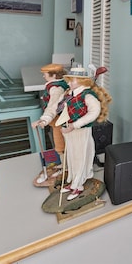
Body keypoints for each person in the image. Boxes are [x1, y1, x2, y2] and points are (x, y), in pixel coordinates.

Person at [56, 65, 112, 201]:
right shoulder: (69, 95)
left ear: (82, 81)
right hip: (69, 132)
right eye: (69, 80)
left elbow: (93, 113)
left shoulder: (87, 96)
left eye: (73, 80)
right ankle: (73, 180)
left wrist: (75, 125)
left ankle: (78, 184)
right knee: (72, 157)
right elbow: (60, 109)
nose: (69, 83)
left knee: (80, 157)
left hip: (81, 131)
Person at [31, 63, 69, 183]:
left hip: (58, 119)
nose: (43, 76)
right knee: (60, 143)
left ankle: (66, 167)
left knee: (60, 144)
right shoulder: (56, 85)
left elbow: (53, 106)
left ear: (53, 75)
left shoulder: (55, 88)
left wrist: (44, 119)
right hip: (56, 119)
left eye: (45, 74)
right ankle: (64, 165)